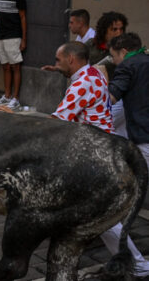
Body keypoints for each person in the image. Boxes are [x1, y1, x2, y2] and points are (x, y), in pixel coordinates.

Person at [41, 41, 149, 277]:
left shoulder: (81, 83)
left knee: (103, 218)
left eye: (59, 60)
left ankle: (140, 266)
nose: (56, 64)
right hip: (100, 150)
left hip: (96, 155)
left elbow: (58, 121)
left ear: (71, 59)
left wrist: (18, 122)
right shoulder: (94, 73)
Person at [108, 33, 149, 163]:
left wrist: (102, 80)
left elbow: (111, 98)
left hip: (143, 135)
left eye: (113, 56)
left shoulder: (127, 66)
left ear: (124, 52)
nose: (113, 61)